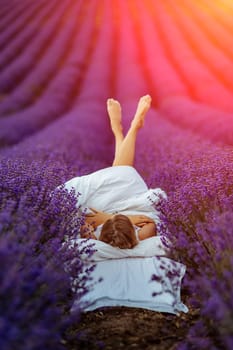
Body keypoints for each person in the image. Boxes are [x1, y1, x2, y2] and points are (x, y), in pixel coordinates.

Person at [63, 95, 167, 249]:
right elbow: (149, 222)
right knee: (121, 174)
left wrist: (102, 222)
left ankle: (119, 132)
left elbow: (85, 222)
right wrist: (115, 218)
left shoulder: (97, 238)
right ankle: (132, 127)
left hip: (109, 208)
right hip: (131, 204)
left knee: (118, 174)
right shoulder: (141, 236)